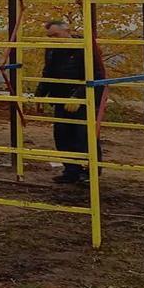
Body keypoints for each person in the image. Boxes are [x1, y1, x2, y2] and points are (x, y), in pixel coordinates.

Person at [35, 20, 102, 183]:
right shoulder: (51, 50)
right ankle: (71, 171)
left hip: (82, 100)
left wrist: (79, 96)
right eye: (50, 36)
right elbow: (48, 72)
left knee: (83, 136)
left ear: (67, 31)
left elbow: (96, 74)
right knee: (62, 136)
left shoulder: (84, 47)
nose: (53, 39)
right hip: (60, 97)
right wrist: (39, 94)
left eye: (55, 35)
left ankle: (90, 172)